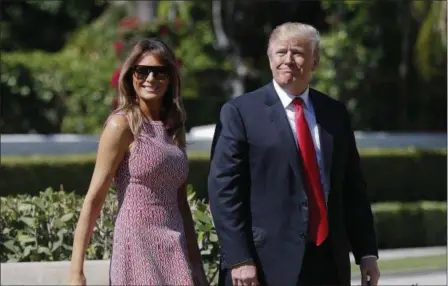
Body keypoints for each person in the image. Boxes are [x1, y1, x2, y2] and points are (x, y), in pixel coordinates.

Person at [208, 22, 380, 286]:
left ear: (315, 62)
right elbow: (224, 191)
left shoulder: (334, 113)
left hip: (327, 262)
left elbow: (352, 187)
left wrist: (366, 251)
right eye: (280, 52)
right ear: (270, 59)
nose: (288, 60)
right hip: (264, 264)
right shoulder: (240, 113)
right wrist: (239, 259)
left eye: (298, 52)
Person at [68, 38, 208, 286]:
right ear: (131, 76)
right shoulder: (120, 125)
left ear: (170, 78)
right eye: (143, 71)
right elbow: (94, 198)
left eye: (160, 71)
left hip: (173, 246)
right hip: (136, 245)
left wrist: (196, 266)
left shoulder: (174, 127)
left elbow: (181, 204)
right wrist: (76, 271)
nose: (151, 78)